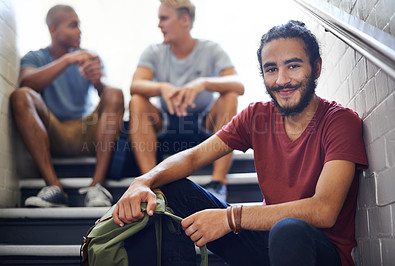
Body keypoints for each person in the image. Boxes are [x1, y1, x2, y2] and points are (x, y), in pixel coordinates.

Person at [113, 20, 368, 266]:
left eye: (293, 66)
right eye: (271, 69)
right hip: (265, 242)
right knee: (171, 188)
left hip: (317, 249)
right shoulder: (257, 116)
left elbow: (324, 209)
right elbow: (192, 158)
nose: (281, 80)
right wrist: (142, 181)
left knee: (287, 230)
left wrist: (231, 217)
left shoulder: (340, 122)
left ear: (317, 67)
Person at [129, 0, 245, 201]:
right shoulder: (154, 51)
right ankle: (151, 184)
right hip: (167, 125)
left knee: (230, 96)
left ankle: (218, 182)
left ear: (184, 20)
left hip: (204, 127)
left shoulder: (211, 49)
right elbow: (135, 85)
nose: (159, 25)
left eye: (164, 18)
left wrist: (203, 83)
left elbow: (238, 84)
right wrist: (162, 87)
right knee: (137, 101)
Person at [11, 5, 124, 207]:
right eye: (73, 25)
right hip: (54, 132)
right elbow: (27, 82)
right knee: (21, 96)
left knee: (114, 92)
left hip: (86, 132)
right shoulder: (35, 57)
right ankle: (54, 188)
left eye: (79, 25)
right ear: (53, 29)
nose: (79, 31)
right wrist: (67, 60)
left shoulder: (89, 57)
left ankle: (97, 185)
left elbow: (108, 91)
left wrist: (98, 79)